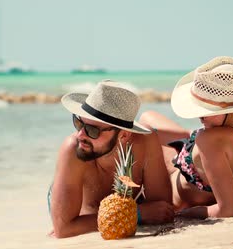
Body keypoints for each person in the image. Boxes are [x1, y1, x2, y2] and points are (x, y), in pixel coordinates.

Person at [140, 56, 233, 219]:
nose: (199, 115)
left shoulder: (211, 140)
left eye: (205, 110)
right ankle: (188, 139)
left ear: (229, 110)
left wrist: (186, 213)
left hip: (167, 194)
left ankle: (188, 141)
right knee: (147, 118)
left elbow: (229, 210)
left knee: (143, 129)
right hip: (191, 164)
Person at [49, 80, 174, 238]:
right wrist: (139, 213)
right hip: (64, 191)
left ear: (123, 135)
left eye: (92, 130)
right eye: (78, 123)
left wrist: (131, 214)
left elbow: (163, 210)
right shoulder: (73, 149)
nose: (80, 135)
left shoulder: (146, 141)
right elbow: (64, 229)